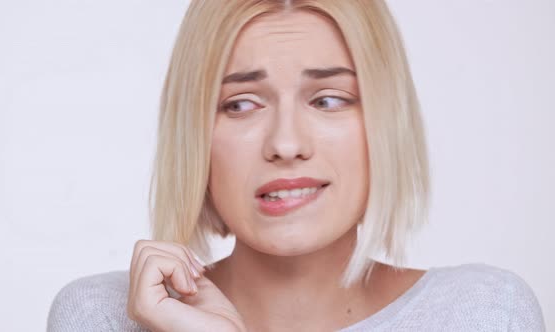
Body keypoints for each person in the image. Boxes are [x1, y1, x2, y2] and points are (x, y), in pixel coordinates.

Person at [47, 1, 546, 331]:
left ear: (384, 124)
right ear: (194, 134)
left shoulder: (481, 314)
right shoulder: (103, 317)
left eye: (329, 100)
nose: (286, 144)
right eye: (240, 104)